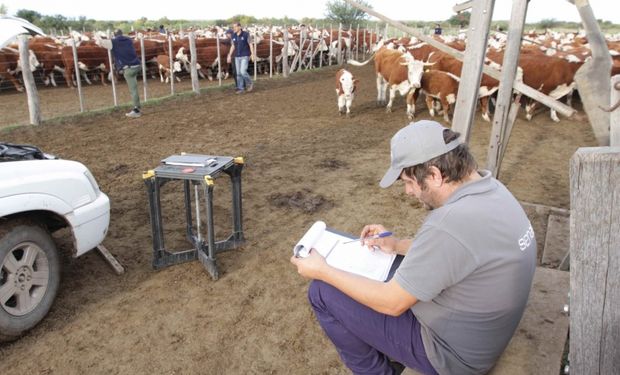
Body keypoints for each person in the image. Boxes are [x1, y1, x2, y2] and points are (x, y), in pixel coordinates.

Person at [291, 120, 537, 375]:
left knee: (321, 292)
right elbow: (458, 252)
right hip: (481, 334)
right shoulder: (491, 190)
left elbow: (391, 304)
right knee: (388, 265)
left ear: (434, 175)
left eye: (408, 182)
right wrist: (396, 244)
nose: (408, 192)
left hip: (451, 356)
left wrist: (322, 270)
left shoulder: (448, 224)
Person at [103, 29, 142, 118]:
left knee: (133, 90)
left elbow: (100, 42)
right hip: (137, 65)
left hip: (128, 69)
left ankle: (136, 110)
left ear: (114, 35)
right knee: (134, 87)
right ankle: (137, 108)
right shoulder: (129, 40)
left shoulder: (113, 42)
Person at [227, 22, 254, 94]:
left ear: (239, 27)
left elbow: (250, 44)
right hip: (237, 56)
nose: (234, 28)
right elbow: (233, 46)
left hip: (245, 55)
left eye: (235, 27)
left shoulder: (246, 34)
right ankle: (241, 88)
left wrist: (252, 54)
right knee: (238, 73)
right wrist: (229, 55)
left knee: (242, 71)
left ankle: (250, 83)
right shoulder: (233, 35)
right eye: (233, 27)